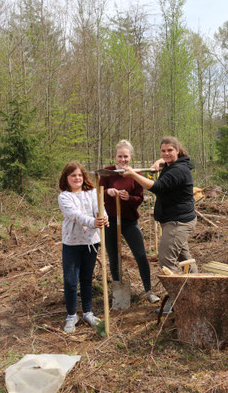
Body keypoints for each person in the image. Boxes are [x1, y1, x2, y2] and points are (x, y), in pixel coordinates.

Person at [121, 137, 197, 312]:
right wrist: (160, 161)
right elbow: (166, 162)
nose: (166, 154)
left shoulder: (179, 171)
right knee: (185, 259)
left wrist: (133, 174)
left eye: (170, 150)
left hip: (178, 222)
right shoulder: (174, 164)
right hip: (174, 220)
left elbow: (157, 187)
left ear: (178, 150)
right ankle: (196, 289)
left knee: (166, 262)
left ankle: (176, 302)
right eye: (163, 151)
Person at [99, 140, 160, 304]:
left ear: (130, 157)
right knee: (114, 256)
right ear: (115, 156)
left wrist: (129, 198)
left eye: (126, 156)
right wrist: (108, 192)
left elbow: (139, 198)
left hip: (129, 221)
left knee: (140, 255)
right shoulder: (107, 173)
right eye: (120, 156)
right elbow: (98, 194)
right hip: (110, 221)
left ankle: (148, 290)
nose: (123, 160)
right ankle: (118, 290)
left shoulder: (135, 174)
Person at [58, 161, 108, 333]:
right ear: (67, 178)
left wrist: (104, 218)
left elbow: (100, 209)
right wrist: (93, 221)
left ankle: (88, 312)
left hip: (91, 242)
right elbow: (74, 215)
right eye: (73, 175)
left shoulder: (92, 193)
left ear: (83, 176)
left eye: (79, 175)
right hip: (72, 243)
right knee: (71, 282)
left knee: (86, 279)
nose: (77, 178)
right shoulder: (64, 196)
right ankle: (72, 314)